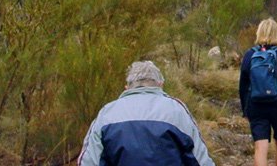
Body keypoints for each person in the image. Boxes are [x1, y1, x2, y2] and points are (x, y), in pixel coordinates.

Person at [78, 60, 214, 166]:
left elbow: (89, 162)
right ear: (160, 85)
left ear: (127, 87)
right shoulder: (176, 110)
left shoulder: (107, 113)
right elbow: (200, 159)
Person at [239, 18, 277, 166]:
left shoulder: (249, 55)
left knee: (260, 147)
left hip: (256, 105)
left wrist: (245, 110)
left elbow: (243, 85)